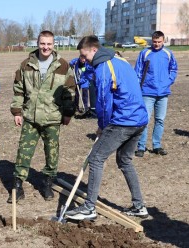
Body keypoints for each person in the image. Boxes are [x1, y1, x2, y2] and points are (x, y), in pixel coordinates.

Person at [65, 35, 149, 220]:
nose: (84, 60)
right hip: (140, 120)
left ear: (94, 50)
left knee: (96, 159)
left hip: (123, 121)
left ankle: (89, 207)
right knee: (125, 161)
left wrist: (102, 125)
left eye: (85, 56)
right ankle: (139, 206)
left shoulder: (104, 68)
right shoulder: (119, 60)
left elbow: (103, 102)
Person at [8, 30, 76, 203]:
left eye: (49, 44)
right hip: (30, 117)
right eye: (42, 43)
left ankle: (47, 182)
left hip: (53, 118)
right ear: (37, 44)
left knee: (52, 153)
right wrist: (17, 111)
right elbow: (19, 90)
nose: (45, 47)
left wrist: (68, 112)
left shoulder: (63, 65)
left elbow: (69, 91)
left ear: (54, 45)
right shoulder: (26, 64)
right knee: (24, 151)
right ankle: (17, 184)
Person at [134, 31, 178, 157]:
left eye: (159, 42)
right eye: (155, 42)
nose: (157, 44)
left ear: (163, 41)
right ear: (151, 41)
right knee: (144, 120)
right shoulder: (145, 53)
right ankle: (141, 147)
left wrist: (168, 82)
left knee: (160, 120)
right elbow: (138, 71)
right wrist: (138, 88)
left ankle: (156, 145)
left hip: (163, 93)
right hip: (147, 92)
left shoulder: (168, 54)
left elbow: (173, 69)